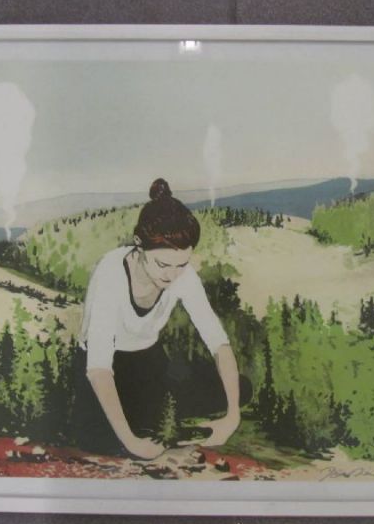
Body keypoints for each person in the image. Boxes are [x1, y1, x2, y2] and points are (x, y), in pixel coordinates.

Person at [74, 178, 249, 460]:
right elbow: (98, 369)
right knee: (103, 437)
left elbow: (219, 343)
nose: (172, 275)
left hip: (149, 360)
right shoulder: (110, 273)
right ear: (139, 245)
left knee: (240, 389)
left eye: (181, 265)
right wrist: (133, 444)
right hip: (104, 366)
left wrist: (232, 417)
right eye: (163, 264)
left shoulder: (182, 274)